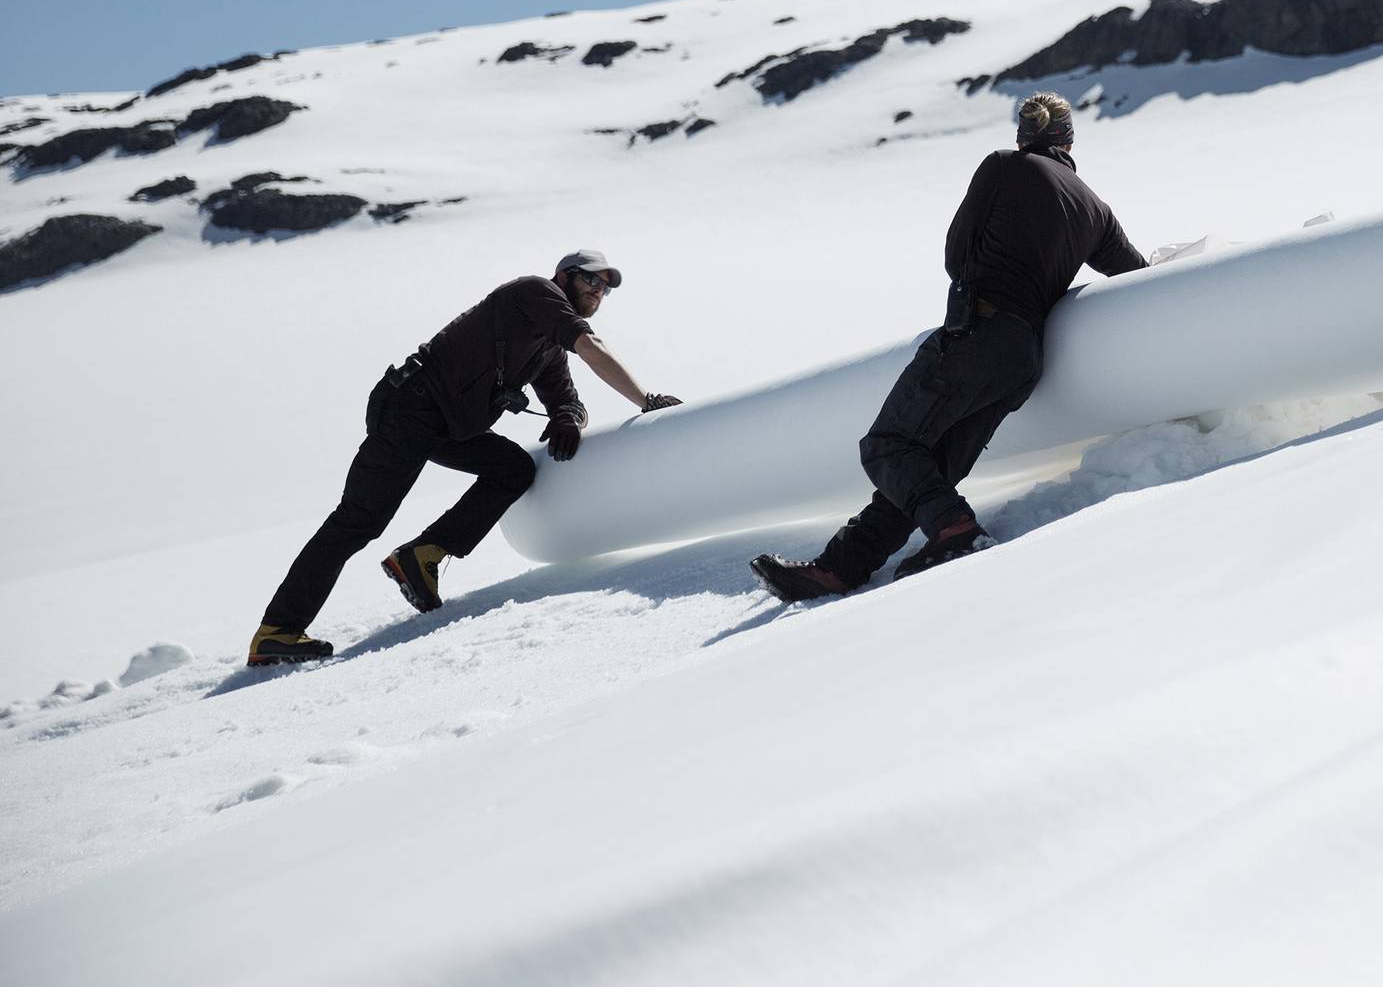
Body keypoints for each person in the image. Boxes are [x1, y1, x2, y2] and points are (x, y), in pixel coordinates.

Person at [752, 93, 1147, 600]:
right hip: (1022, 359)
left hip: (977, 334)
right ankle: (839, 568)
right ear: (1069, 141)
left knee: (888, 445)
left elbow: (956, 253)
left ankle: (956, 530)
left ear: (1023, 136)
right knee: (926, 473)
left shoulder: (1005, 166)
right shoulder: (1095, 208)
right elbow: (1133, 275)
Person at [247, 251, 682, 666]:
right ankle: (278, 631)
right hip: (409, 409)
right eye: (591, 278)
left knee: (512, 468)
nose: (599, 291)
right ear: (563, 276)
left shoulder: (548, 347)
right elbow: (589, 347)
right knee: (359, 521)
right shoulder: (535, 292)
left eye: (607, 288)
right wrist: (645, 400)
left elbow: (566, 396)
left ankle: (422, 557)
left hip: (449, 425)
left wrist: (568, 417)